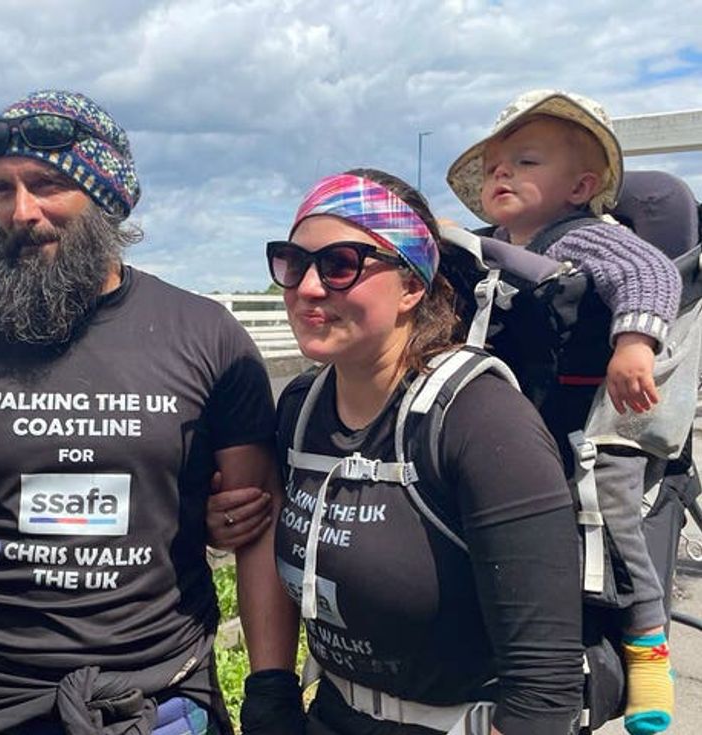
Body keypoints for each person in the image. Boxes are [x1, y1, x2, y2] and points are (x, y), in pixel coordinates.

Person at [0, 89, 298, 735]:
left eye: (46, 185)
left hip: (160, 698)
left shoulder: (207, 336)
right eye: (1, 190)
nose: (21, 211)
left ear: (108, 199)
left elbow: (255, 524)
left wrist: (269, 685)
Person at [211, 169, 585, 734]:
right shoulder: (301, 408)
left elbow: (544, 688)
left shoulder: (482, 422)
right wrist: (269, 689)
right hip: (333, 714)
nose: (308, 287)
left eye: (341, 265)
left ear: (412, 285)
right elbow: (268, 533)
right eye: (294, 262)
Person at [447, 90, 682, 735]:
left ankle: (647, 647)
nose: (502, 174)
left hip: (598, 429)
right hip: (523, 423)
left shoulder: (587, 239)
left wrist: (634, 343)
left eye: (525, 162)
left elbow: (653, 275)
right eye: (495, 167)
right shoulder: (488, 248)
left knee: (618, 526)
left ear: (582, 186)